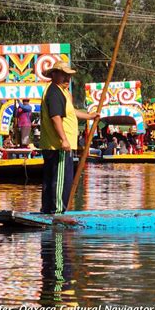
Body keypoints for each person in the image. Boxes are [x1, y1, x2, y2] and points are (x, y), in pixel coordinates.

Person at [40, 61, 99, 214]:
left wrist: (89, 116)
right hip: (58, 145)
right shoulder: (54, 92)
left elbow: (70, 112)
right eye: (63, 75)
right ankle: (57, 211)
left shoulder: (61, 91)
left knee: (51, 179)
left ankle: (47, 209)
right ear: (54, 74)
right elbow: (56, 117)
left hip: (55, 145)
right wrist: (63, 139)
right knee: (61, 180)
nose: (67, 78)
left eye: (69, 75)